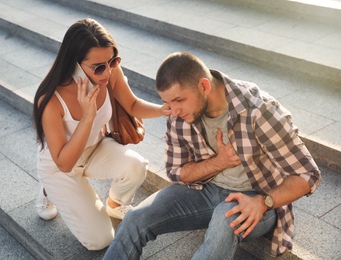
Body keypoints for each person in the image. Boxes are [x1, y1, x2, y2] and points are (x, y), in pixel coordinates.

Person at [103, 52, 322, 259]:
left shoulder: (258, 110)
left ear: (204, 86)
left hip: (256, 197)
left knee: (223, 221)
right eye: (168, 103)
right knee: (134, 219)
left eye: (179, 100)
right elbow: (177, 172)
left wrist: (263, 202)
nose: (173, 111)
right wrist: (220, 162)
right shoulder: (178, 113)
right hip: (205, 190)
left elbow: (308, 174)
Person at [32, 18, 170, 251]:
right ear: (74, 63)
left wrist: (164, 109)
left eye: (113, 61)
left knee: (135, 166)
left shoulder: (109, 72)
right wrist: (87, 117)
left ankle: (115, 204)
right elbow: (64, 163)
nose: (107, 71)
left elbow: (133, 104)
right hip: (60, 165)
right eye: (98, 67)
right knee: (100, 241)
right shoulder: (51, 100)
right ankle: (48, 188)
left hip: (94, 149)